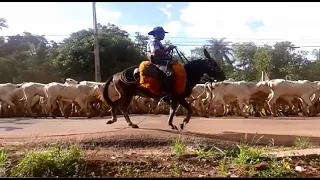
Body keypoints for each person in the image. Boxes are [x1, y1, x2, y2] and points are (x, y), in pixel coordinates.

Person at [146, 26, 177, 100]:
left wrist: (168, 49)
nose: (164, 35)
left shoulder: (158, 42)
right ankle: (164, 93)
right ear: (156, 34)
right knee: (170, 74)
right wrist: (168, 49)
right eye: (162, 33)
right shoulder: (153, 42)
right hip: (158, 62)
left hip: (163, 61)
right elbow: (155, 53)